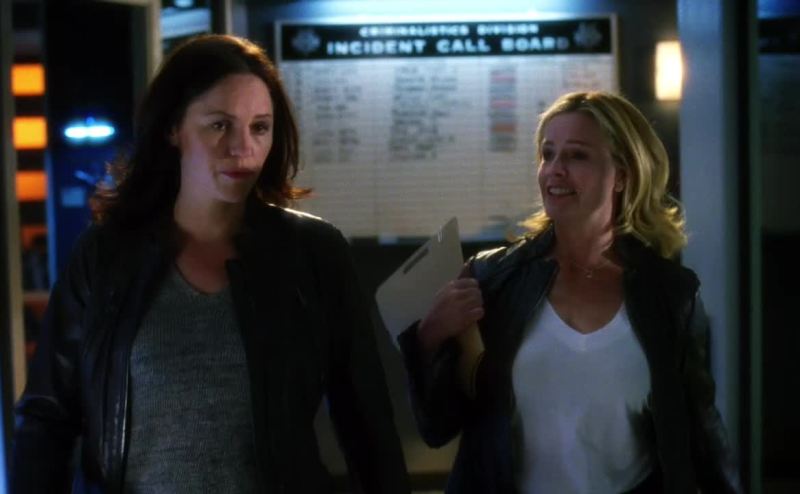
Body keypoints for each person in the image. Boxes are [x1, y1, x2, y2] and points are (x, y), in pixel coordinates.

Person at [11, 34, 410, 494]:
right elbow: (47, 417)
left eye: (260, 127)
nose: (243, 148)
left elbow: (367, 419)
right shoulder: (107, 256)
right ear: (173, 128)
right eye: (220, 125)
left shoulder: (312, 252)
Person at [398, 91, 742, 493]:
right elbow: (437, 427)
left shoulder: (670, 293)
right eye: (548, 154)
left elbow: (703, 434)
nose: (554, 170)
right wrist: (429, 338)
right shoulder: (492, 278)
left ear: (623, 174)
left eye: (577, 156)